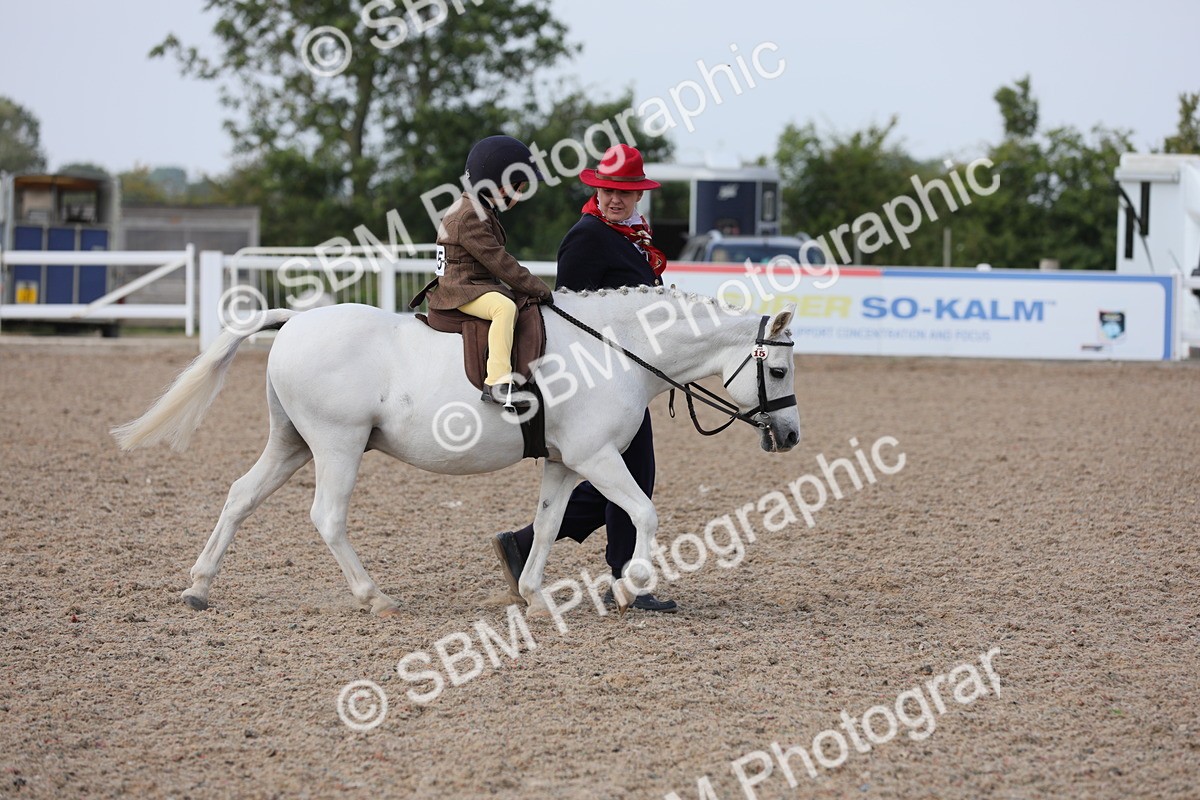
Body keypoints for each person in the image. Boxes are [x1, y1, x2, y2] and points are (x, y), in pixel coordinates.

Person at [491, 143, 678, 613]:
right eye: (607, 190)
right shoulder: (588, 236)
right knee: (631, 475)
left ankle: (525, 545)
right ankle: (626, 581)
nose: (615, 199)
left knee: (629, 474)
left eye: (624, 192)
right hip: (600, 378)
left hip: (626, 374)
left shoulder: (632, 233)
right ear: (597, 189)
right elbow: (574, 312)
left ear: (638, 195)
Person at [417, 135, 552, 408]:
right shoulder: (470, 215)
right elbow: (500, 263)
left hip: (469, 283)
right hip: (461, 289)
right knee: (504, 308)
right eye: (520, 187)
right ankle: (498, 382)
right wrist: (540, 287)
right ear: (503, 188)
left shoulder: (475, 208)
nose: (521, 194)